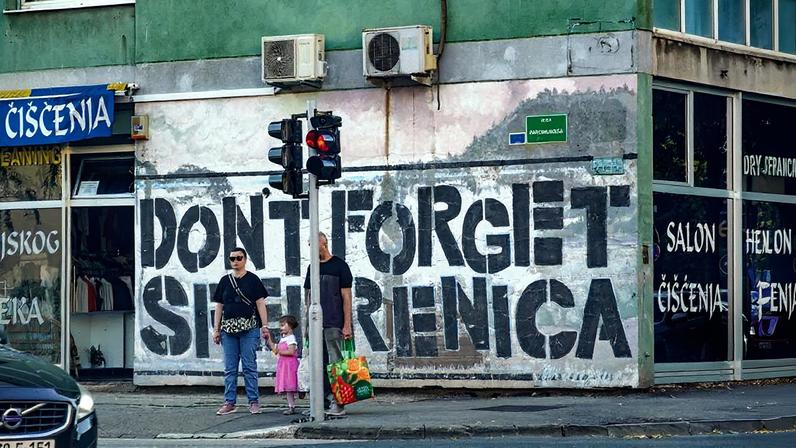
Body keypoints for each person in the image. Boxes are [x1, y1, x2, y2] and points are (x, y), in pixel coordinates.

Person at [212, 247, 270, 415]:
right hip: (228, 330)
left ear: (245, 259)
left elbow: (260, 303)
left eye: (238, 258)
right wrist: (216, 329)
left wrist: (264, 326)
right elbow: (219, 306)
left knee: (249, 366)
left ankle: (253, 401)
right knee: (230, 368)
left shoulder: (253, 280)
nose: (235, 262)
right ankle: (229, 402)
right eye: (232, 259)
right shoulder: (225, 281)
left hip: (249, 328)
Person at [304, 232, 353, 416]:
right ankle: (322, 402)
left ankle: (338, 403)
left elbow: (346, 297)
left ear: (323, 243)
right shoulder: (312, 268)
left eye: (313, 245)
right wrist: (308, 326)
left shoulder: (340, 266)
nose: (311, 249)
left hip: (334, 322)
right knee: (319, 364)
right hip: (316, 325)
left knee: (335, 364)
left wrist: (347, 324)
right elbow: (308, 298)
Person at [269, 315, 300, 415]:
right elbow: (275, 349)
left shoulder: (291, 338)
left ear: (290, 326)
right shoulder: (284, 338)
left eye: (283, 325)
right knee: (288, 387)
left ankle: (292, 405)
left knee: (291, 384)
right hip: (284, 365)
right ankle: (291, 406)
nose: (281, 328)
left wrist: (279, 351)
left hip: (289, 365)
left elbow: (291, 351)